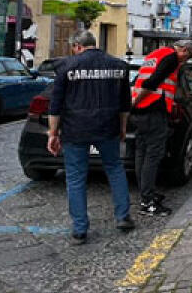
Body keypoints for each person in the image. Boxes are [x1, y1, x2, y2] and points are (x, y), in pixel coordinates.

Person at [47, 30, 134, 243]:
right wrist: (122, 127)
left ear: (77, 46)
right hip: (108, 127)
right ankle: (123, 217)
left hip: (75, 129)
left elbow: (55, 105)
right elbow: (125, 103)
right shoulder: (118, 66)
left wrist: (53, 134)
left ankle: (79, 228)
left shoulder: (65, 67)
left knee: (76, 177)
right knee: (114, 169)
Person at [130, 39, 192, 216]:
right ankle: (148, 202)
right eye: (185, 57)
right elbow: (152, 82)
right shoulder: (171, 57)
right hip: (153, 111)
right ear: (182, 49)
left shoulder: (153, 55)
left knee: (141, 154)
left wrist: (134, 105)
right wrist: (135, 102)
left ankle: (145, 194)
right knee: (153, 156)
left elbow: (140, 80)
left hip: (140, 113)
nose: (183, 61)